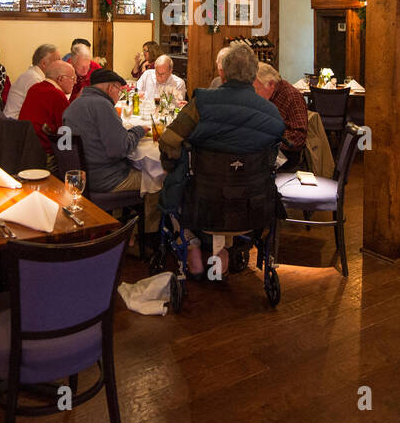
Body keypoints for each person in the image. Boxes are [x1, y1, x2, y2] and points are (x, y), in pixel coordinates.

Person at [160, 43, 284, 276]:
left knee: (174, 186)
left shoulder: (203, 103)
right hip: (252, 203)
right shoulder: (271, 113)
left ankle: (192, 244)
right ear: (254, 75)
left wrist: (171, 166)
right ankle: (223, 249)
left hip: (202, 200)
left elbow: (169, 141)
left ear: (223, 72)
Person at [62, 67, 160, 231]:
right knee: (157, 177)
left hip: (79, 178)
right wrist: (138, 131)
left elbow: (64, 145)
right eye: (119, 91)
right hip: (105, 180)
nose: (118, 96)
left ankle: (120, 224)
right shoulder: (103, 105)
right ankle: (146, 234)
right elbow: (120, 149)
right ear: (111, 88)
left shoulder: (74, 105)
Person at [252, 61, 308, 170]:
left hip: (285, 155)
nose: (254, 94)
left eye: (256, 89)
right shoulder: (267, 96)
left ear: (271, 84)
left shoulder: (292, 97)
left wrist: (270, 136)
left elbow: (299, 137)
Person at [19, 59, 75, 160]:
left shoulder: (34, 88)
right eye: (72, 78)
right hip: (46, 155)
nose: (75, 82)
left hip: (25, 150)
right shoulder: (57, 95)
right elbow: (66, 132)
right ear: (61, 79)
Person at [4, 43, 60, 118]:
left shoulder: (34, 74)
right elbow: (43, 108)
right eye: (57, 61)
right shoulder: (34, 79)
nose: (60, 64)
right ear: (44, 63)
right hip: (15, 124)